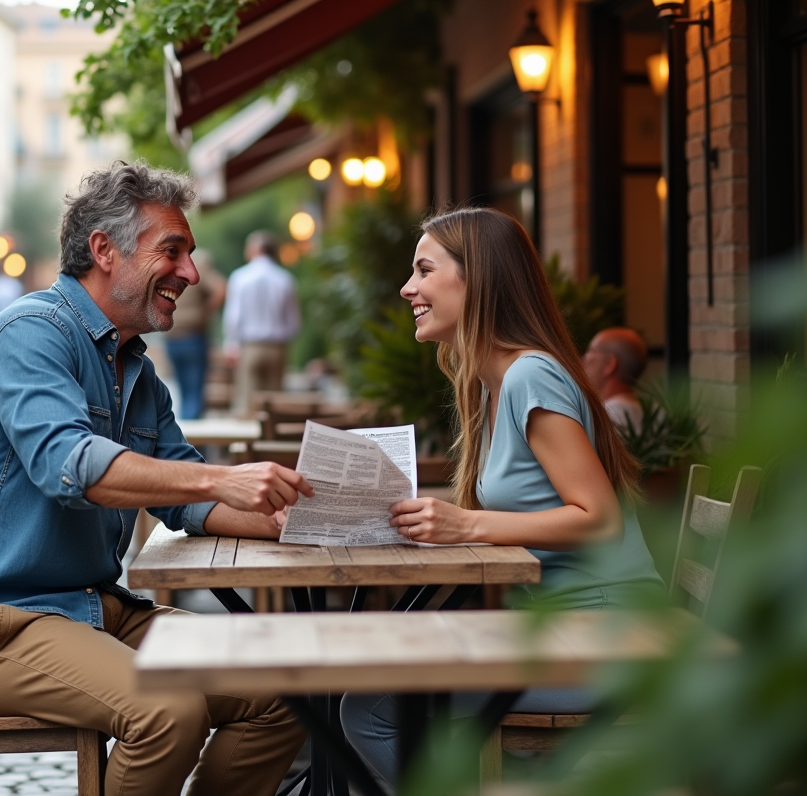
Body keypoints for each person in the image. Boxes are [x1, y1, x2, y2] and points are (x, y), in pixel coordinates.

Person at [0, 162, 313, 796]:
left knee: (286, 686)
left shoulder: (133, 367)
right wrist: (221, 482)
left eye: (189, 254)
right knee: (168, 710)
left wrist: (296, 520)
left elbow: (185, 493)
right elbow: (71, 467)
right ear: (105, 251)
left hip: (98, 612)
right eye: (173, 251)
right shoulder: (30, 334)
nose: (190, 273)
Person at [339, 207, 664, 790]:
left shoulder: (528, 376)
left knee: (368, 706)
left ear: (476, 279)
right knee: (368, 683)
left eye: (423, 269)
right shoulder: (494, 384)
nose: (407, 287)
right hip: (559, 628)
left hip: (607, 637)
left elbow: (600, 520)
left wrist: (464, 526)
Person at [222, 230, 300, 415]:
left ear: (256, 249)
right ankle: (269, 440)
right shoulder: (285, 279)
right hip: (277, 347)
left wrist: (231, 344)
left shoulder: (240, 277)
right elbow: (294, 322)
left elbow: (234, 316)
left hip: (251, 347)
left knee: (247, 404)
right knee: (274, 406)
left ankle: (249, 441)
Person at [164, 248, 225, 419]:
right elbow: (221, 289)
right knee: (194, 392)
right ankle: (194, 441)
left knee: (183, 392)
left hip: (172, 336)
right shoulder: (199, 266)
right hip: (193, 337)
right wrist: (206, 311)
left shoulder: (170, 268)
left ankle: (187, 436)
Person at [582, 327, 648, 429]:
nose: (583, 359)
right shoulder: (654, 413)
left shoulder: (606, 418)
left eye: (591, 351)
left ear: (610, 364)